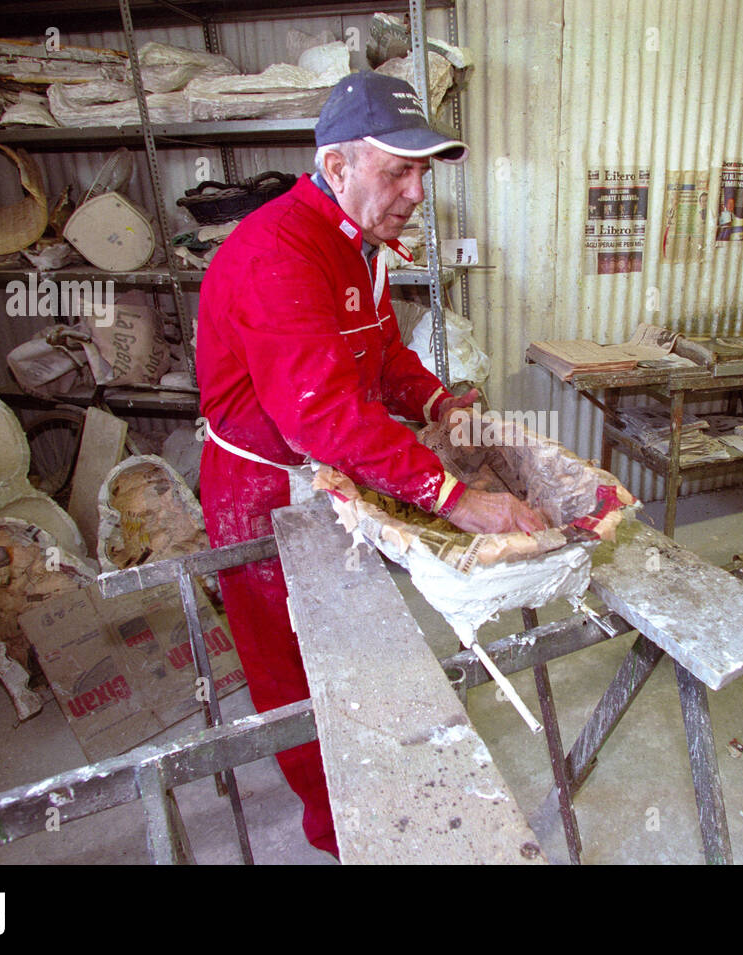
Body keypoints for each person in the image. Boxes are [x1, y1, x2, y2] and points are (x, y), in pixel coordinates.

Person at [195, 71, 545, 857]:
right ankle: (339, 831)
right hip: (260, 485)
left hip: (324, 471)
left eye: (422, 171)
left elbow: (381, 353)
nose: (417, 191)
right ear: (337, 164)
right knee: (294, 667)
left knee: (353, 642)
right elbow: (320, 412)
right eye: (398, 170)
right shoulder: (278, 255)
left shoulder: (361, 245)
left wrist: (438, 406)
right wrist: (453, 495)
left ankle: (368, 767)